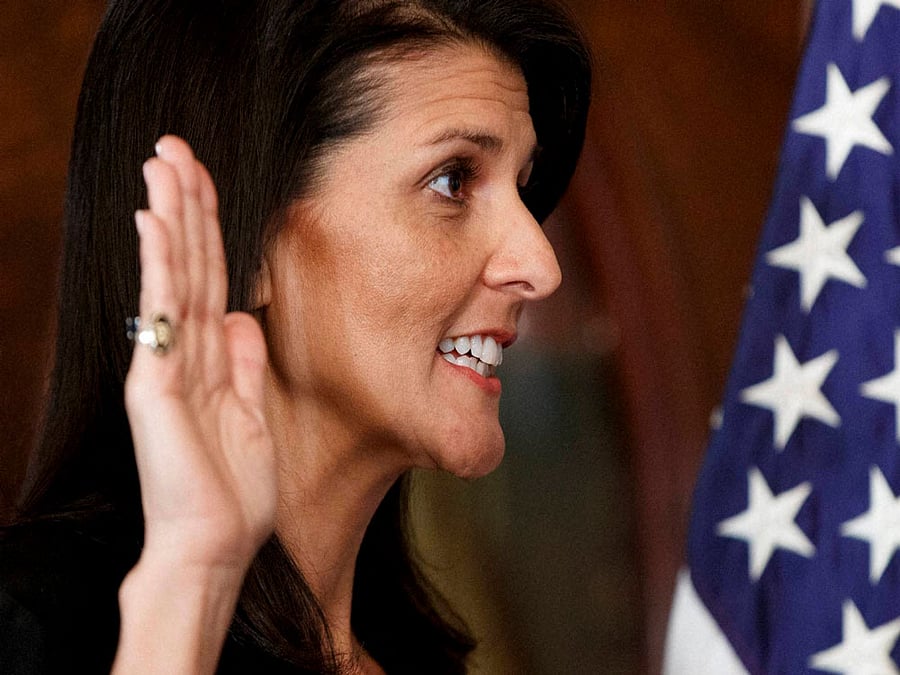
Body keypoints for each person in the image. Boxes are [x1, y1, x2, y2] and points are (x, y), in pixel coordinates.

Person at [0, 0, 591, 672]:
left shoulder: (425, 659)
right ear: (245, 243)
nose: (541, 266)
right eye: (453, 180)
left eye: (521, 186)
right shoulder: (34, 627)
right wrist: (191, 580)